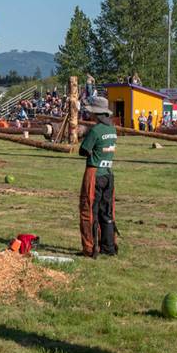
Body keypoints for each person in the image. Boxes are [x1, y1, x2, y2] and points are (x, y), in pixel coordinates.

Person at [77, 96, 117, 258]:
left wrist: (85, 135)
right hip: (108, 174)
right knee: (106, 211)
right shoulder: (112, 129)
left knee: (89, 211)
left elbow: (83, 150)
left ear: (97, 114)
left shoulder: (95, 130)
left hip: (94, 173)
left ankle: (90, 248)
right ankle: (109, 246)